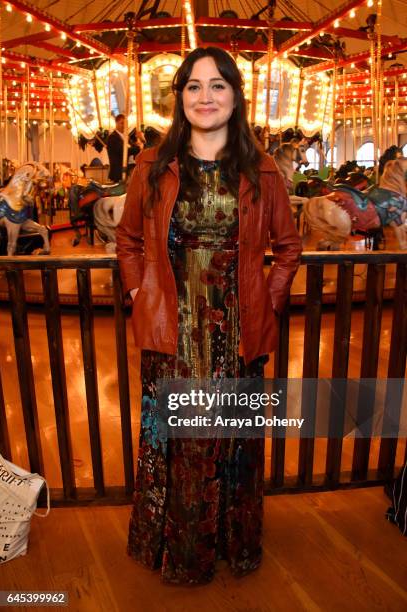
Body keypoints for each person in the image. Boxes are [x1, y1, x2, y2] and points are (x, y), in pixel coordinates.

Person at [116, 47, 302, 585]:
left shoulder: (261, 170)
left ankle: (235, 545)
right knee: (175, 441)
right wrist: (137, 293)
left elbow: (287, 248)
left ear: (235, 97)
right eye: (194, 86)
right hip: (171, 329)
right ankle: (175, 553)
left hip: (238, 330)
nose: (205, 97)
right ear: (180, 97)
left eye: (218, 85)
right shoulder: (152, 165)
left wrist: (267, 300)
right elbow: (128, 241)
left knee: (234, 439)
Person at [106, 114, 140, 183]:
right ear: (116, 123)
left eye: (125, 124)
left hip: (129, 170)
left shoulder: (126, 137)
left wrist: (139, 145)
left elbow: (133, 147)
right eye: (122, 123)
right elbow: (123, 151)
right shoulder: (113, 137)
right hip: (118, 173)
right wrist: (138, 148)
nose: (124, 126)